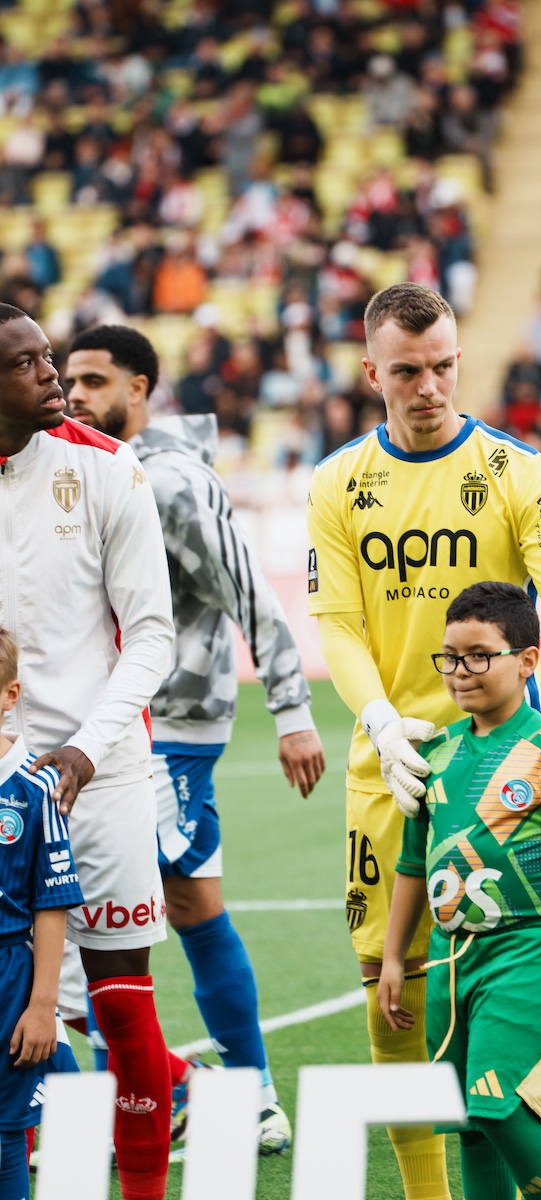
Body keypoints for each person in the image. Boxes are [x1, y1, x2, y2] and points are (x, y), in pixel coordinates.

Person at [306, 282, 541, 1199]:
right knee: (390, 988)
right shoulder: (337, 482)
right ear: (372, 374)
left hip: (509, 768)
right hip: (396, 767)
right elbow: (338, 625)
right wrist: (378, 720)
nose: (431, 387)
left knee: (501, 984)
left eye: (443, 366)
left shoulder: (517, 470)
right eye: (408, 371)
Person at [64, 323, 326, 1154]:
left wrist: (292, 712)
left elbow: (252, 594)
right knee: (160, 908)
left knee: (104, 912)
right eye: (70, 380)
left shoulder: (170, 482)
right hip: (101, 722)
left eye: (96, 381)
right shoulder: (81, 468)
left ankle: (225, 1096)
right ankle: (186, 1097)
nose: (77, 395)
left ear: (140, 387)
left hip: (170, 724)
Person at [0, 304, 175, 1200]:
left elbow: (152, 634)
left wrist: (84, 751)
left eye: (50, 357)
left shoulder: (108, 466)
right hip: (3, 786)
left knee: (119, 1003)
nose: (53, 375)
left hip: (96, 778)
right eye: (27, 363)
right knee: (15, 1001)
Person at [378, 582, 541, 1200]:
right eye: (450, 656)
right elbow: (411, 865)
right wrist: (396, 958)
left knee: (498, 1103)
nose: (460, 671)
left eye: (479, 656)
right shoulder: (433, 752)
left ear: (528, 661)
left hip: (529, 948)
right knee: (468, 1123)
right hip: (452, 961)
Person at [0, 627, 83, 1200]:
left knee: (6, 1135)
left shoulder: (35, 785)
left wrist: (42, 1006)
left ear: (10, 695)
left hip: (9, 976)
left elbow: (51, 902)